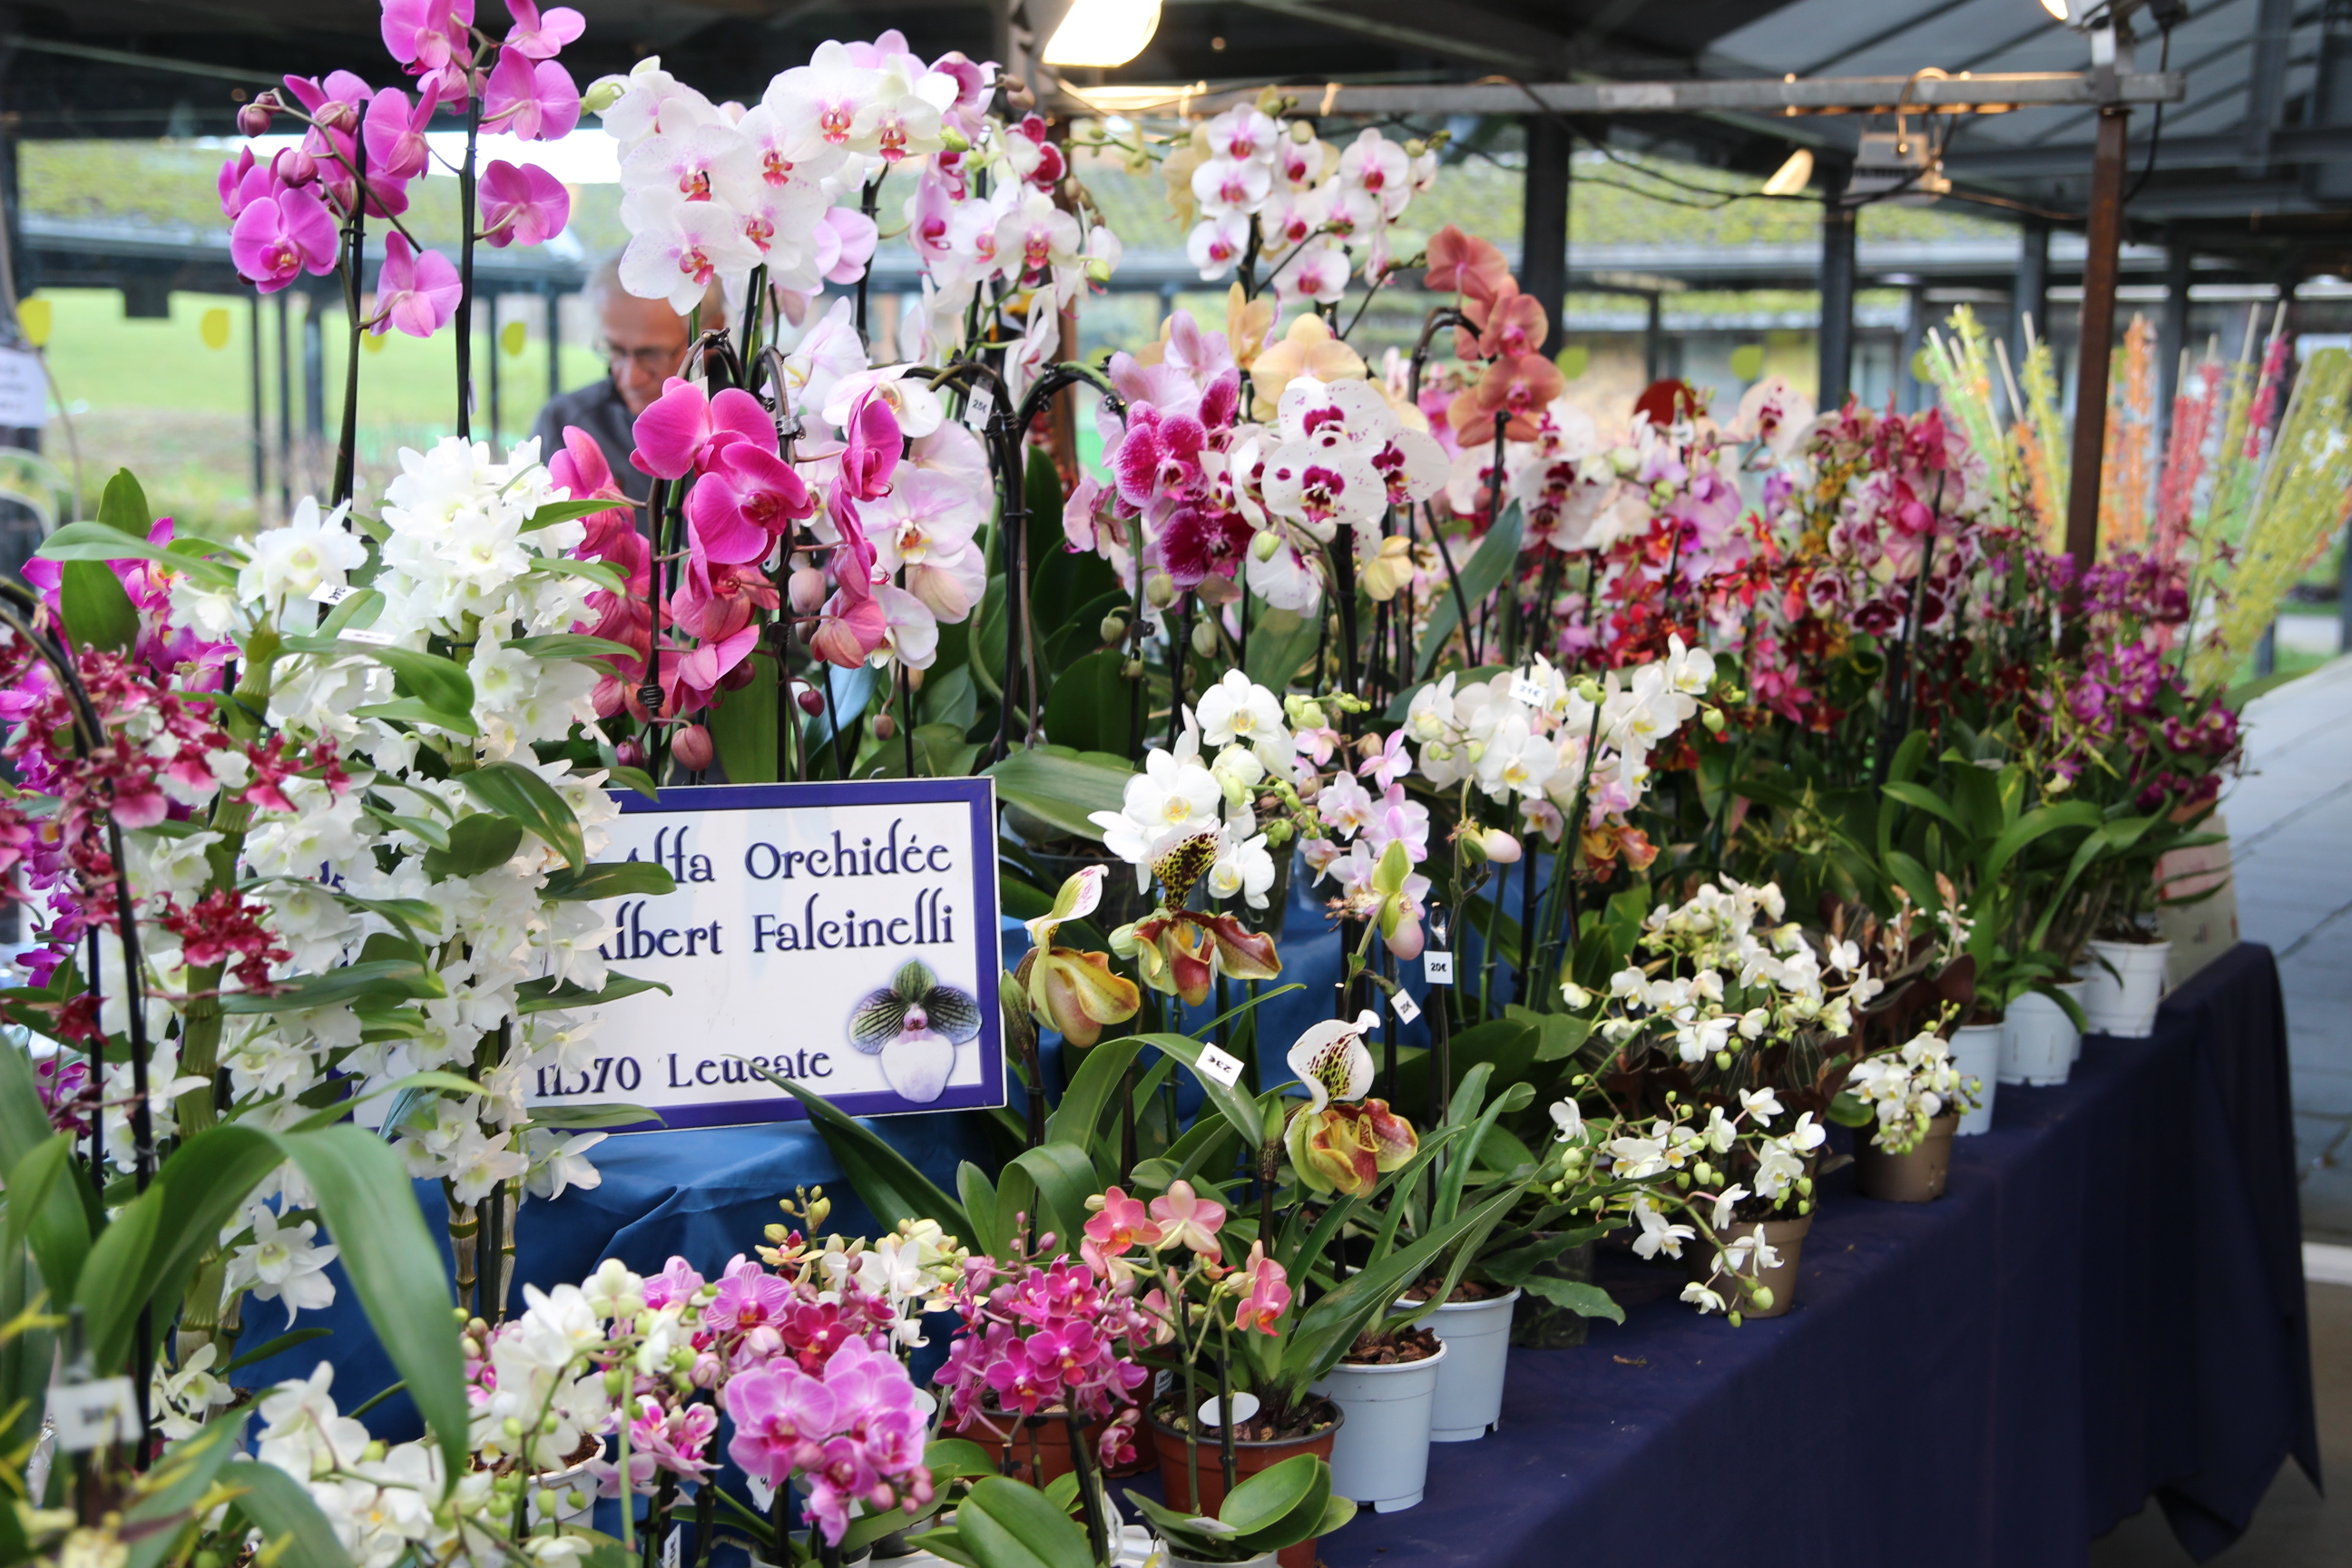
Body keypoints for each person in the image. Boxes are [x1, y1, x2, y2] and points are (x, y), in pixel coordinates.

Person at [530, 255, 721, 505]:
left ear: (714, 333)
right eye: (616, 351)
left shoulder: (753, 426)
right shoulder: (564, 422)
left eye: (653, 354)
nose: (632, 378)